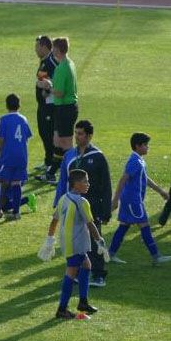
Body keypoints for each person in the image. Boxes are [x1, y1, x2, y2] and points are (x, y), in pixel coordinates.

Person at [52, 120, 112, 287]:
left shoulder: (98, 156)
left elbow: (106, 185)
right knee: (77, 238)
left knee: (94, 238)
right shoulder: (69, 155)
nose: (76, 136)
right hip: (72, 204)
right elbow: (63, 181)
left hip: (92, 204)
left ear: (89, 136)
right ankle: (81, 271)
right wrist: (58, 203)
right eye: (75, 133)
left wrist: (106, 210)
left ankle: (99, 275)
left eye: (80, 134)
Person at [40, 169, 104, 320]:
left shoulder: (64, 198)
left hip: (67, 241)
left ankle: (83, 302)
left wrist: (50, 238)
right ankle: (62, 309)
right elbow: (90, 224)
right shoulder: (82, 202)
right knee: (71, 272)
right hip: (76, 243)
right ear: (76, 184)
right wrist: (99, 240)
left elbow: (54, 220)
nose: (88, 184)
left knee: (87, 265)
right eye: (85, 181)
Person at [108, 133, 171, 265]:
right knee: (145, 226)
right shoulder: (134, 162)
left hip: (130, 200)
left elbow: (145, 179)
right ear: (138, 146)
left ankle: (110, 254)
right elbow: (122, 180)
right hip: (133, 201)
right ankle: (156, 256)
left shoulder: (139, 161)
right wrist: (115, 200)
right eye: (146, 145)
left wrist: (161, 191)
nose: (148, 147)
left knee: (123, 226)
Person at [0, 94, 32, 221]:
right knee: (16, 182)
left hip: (7, 156)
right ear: (19, 105)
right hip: (22, 157)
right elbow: (26, 137)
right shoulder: (24, 119)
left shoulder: (4, 119)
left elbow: (1, 140)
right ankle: (16, 212)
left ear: (7, 105)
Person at [49, 38, 78, 182]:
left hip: (65, 109)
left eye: (53, 48)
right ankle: (52, 172)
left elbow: (59, 93)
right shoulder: (70, 63)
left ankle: (74, 175)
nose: (52, 51)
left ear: (58, 50)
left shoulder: (61, 68)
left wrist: (48, 87)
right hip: (66, 108)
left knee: (66, 143)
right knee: (57, 140)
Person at [33, 35, 59, 184]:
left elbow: (54, 83)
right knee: (43, 133)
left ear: (44, 47)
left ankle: (52, 166)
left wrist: (47, 92)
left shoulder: (50, 62)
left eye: (37, 47)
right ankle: (48, 161)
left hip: (49, 106)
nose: (35, 50)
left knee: (48, 134)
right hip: (43, 105)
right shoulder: (44, 62)